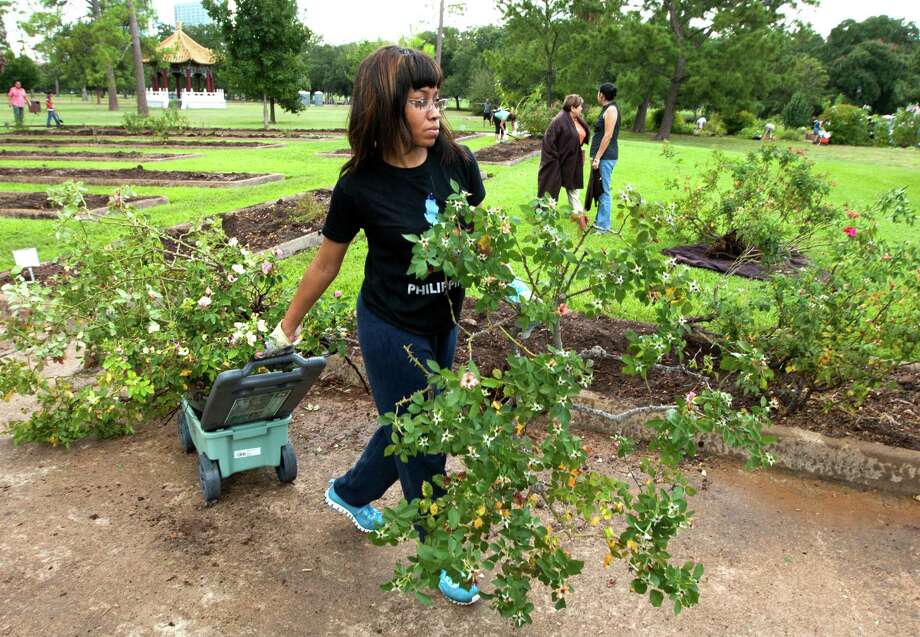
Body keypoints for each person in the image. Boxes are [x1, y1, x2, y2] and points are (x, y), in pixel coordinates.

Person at [264, 46, 486, 606]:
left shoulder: (456, 163)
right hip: (390, 326)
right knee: (422, 436)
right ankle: (441, 552)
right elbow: (325, 262)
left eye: (436, 99)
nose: (434, 112)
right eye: (419, 101)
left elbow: (481, 240)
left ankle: (348, 491)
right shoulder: (359, 183)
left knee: (409, 424)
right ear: (386, 107)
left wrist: (513, 283)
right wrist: (286, 328)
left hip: (444, 319)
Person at [537, 94, 590, 230]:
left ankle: (580, 218)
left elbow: (580, 136)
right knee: (550, 191)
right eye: (580, 106)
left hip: (573, 161)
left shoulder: (576, 119)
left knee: (573, 190)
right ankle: (543, 218)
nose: (582, 109)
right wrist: (554, 162)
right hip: (557, 162)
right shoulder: (559, 120)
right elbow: (548, 142)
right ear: (572, 107)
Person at [588, 83, 620, 232]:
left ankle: (603, 226)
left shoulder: (611, 110)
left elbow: (608, 135)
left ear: (602, 94)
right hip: (601, 157)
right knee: (599, 189)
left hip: (605, 157)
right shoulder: (607, 109)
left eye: (598, 92)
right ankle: (600, 220)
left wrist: (597, 158)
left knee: (604, 190)